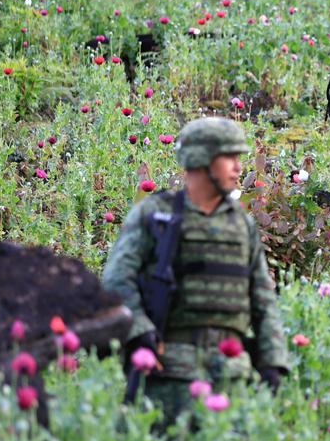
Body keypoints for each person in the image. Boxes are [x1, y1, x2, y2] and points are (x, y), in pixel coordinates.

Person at [102, 117, 289, 424]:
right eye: (229, 157)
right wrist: (141, 332)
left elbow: (262, 298)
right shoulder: (155, 215)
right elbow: (116, 280)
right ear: (201, 159)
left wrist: (272, 361)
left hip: (231, 376)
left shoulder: (241, 224)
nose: (238, 167)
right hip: (170, 372)